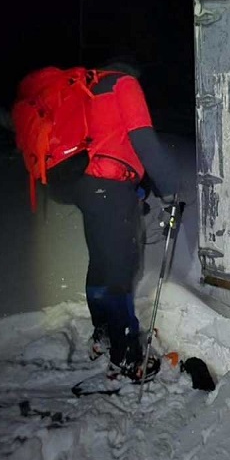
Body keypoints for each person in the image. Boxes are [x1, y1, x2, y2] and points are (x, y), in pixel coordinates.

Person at [46, 60, 178, 381]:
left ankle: (103, 333)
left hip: (88, 187)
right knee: (119, 269)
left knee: (102, 263)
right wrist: (169, 188)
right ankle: (126, 355)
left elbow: (110, 143)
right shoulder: (124, 84)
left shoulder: (90, 87)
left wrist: (139, 187)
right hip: (110, 188)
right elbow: (143, 139)